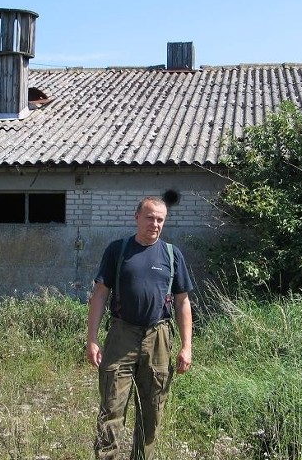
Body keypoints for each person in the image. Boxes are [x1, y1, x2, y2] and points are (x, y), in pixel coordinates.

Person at [86, 196, 194, 460]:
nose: (154, 224)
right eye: (150, 217)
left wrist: (186, 346)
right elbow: (100, 294)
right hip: (121, 335)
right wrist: (92, 338)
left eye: (160, 219)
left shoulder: (172, 254)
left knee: (152, 411)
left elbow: (182, 302)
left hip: (158, 337)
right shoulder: (118, 250)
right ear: (137, 217)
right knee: (111, 408)